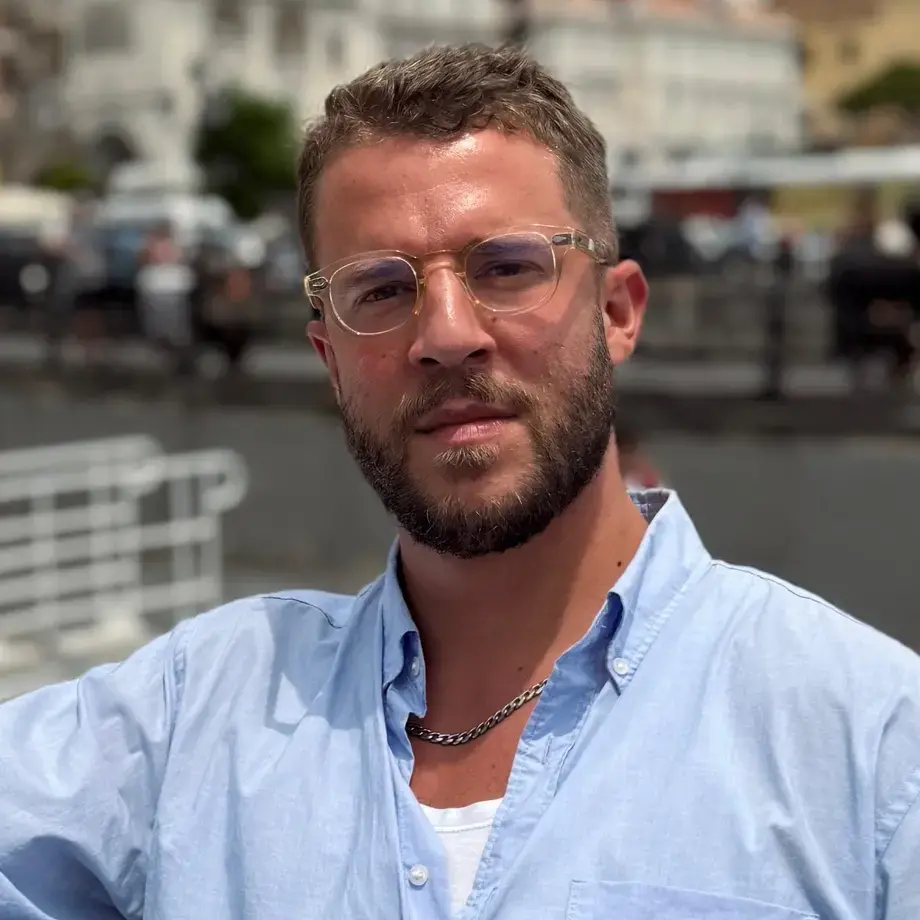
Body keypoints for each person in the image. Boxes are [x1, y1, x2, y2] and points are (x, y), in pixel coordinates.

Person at [1, 44, 918, 920]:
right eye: (382, 291)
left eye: (508, 267)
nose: (446, 333)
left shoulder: (867, 744)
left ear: (618, 311)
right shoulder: (187, 717)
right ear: (329, 357)